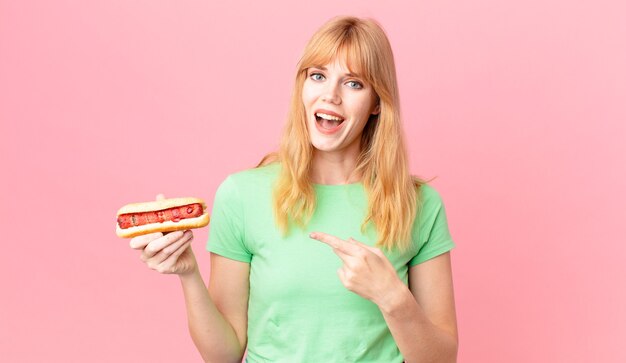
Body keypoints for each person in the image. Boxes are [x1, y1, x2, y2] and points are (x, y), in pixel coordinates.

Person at [130, 16, 458, 363]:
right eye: (318, 76)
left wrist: (393, 298)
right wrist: (188, 274)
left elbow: (442, 359)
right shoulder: (242, 196)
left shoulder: (420, 205)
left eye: (353, 83)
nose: (330, 95)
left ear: (378, 102)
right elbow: (224, 355)